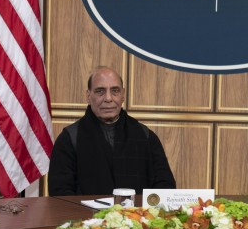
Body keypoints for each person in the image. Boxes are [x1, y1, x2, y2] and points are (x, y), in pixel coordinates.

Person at [47, 66, 176, 196]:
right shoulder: (69, 139)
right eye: (100, 91)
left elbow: (165, 187)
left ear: (123, 95)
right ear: (88, 96)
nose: (108, 98)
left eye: (115, 91)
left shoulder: (146, 136)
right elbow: (60, 193)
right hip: (86, 216)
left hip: (138, 215)